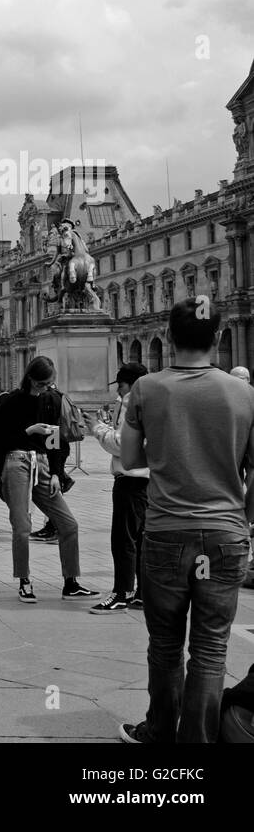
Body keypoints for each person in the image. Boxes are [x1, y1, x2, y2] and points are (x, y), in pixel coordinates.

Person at [119, 298, 254, 743]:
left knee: (164, 645)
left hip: (165, 531)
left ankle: (159, 730)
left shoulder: (147, 389)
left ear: (169, 336)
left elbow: (131, 459)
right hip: (225, 534)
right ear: (217, 337)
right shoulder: (245, 394)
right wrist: (244, 522)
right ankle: (197, 741)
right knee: (212, 648)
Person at [0, 357, 98, 604]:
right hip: (16, 461)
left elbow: (56, 442)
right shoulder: (10, 401)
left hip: (43, 463)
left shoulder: (51, 400)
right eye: (40, 383)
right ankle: (24, 580)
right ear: (29, 378)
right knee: (22, 524)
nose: (44, 388)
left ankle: (71, 582)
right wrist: (29, 432)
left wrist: (58, 472)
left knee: (68, 524)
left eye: (49, 383)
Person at [88, 362, 150, 615]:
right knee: (142, 539)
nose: (119, 392)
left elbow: (122, 445)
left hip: (130, 478)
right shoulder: (154, 401)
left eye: (121, 385)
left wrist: (96, 427)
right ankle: (143, 593)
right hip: (150, 479)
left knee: (123, 540)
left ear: (131, 383)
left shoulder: (131, 402)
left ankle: (121, 592)